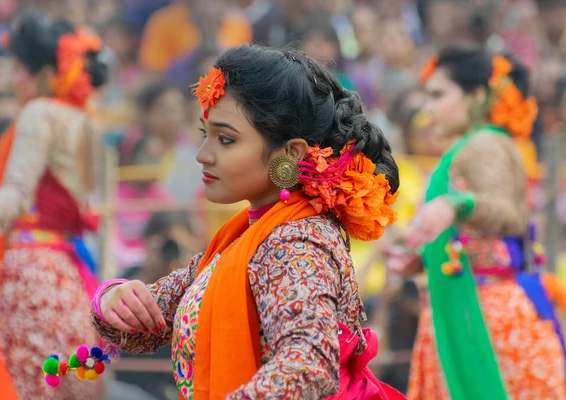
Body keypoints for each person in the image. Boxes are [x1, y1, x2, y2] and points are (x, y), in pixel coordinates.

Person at [92, 44, 406, 400]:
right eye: (204, 134)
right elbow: (149, 321)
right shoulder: (251, 233)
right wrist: (113, 298)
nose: (202, 155)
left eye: (226, 140)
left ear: (290, 153)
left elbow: (307, 367)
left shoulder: (296, 242)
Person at [389, 45, 566, 399]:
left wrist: (457, 205)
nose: (427, 109)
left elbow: (508, 212)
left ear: (476, 95)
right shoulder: (466, 148)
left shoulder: (484, 142)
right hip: (467, 309)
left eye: (438, 95)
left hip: (489, 320)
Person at [0, 12, 108, 399]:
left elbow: (15, 195)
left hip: (28, 276)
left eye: (19, 71)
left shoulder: (37, 113)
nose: (13, 82)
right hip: (69, 273)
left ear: (47, 72)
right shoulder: (85, 120)